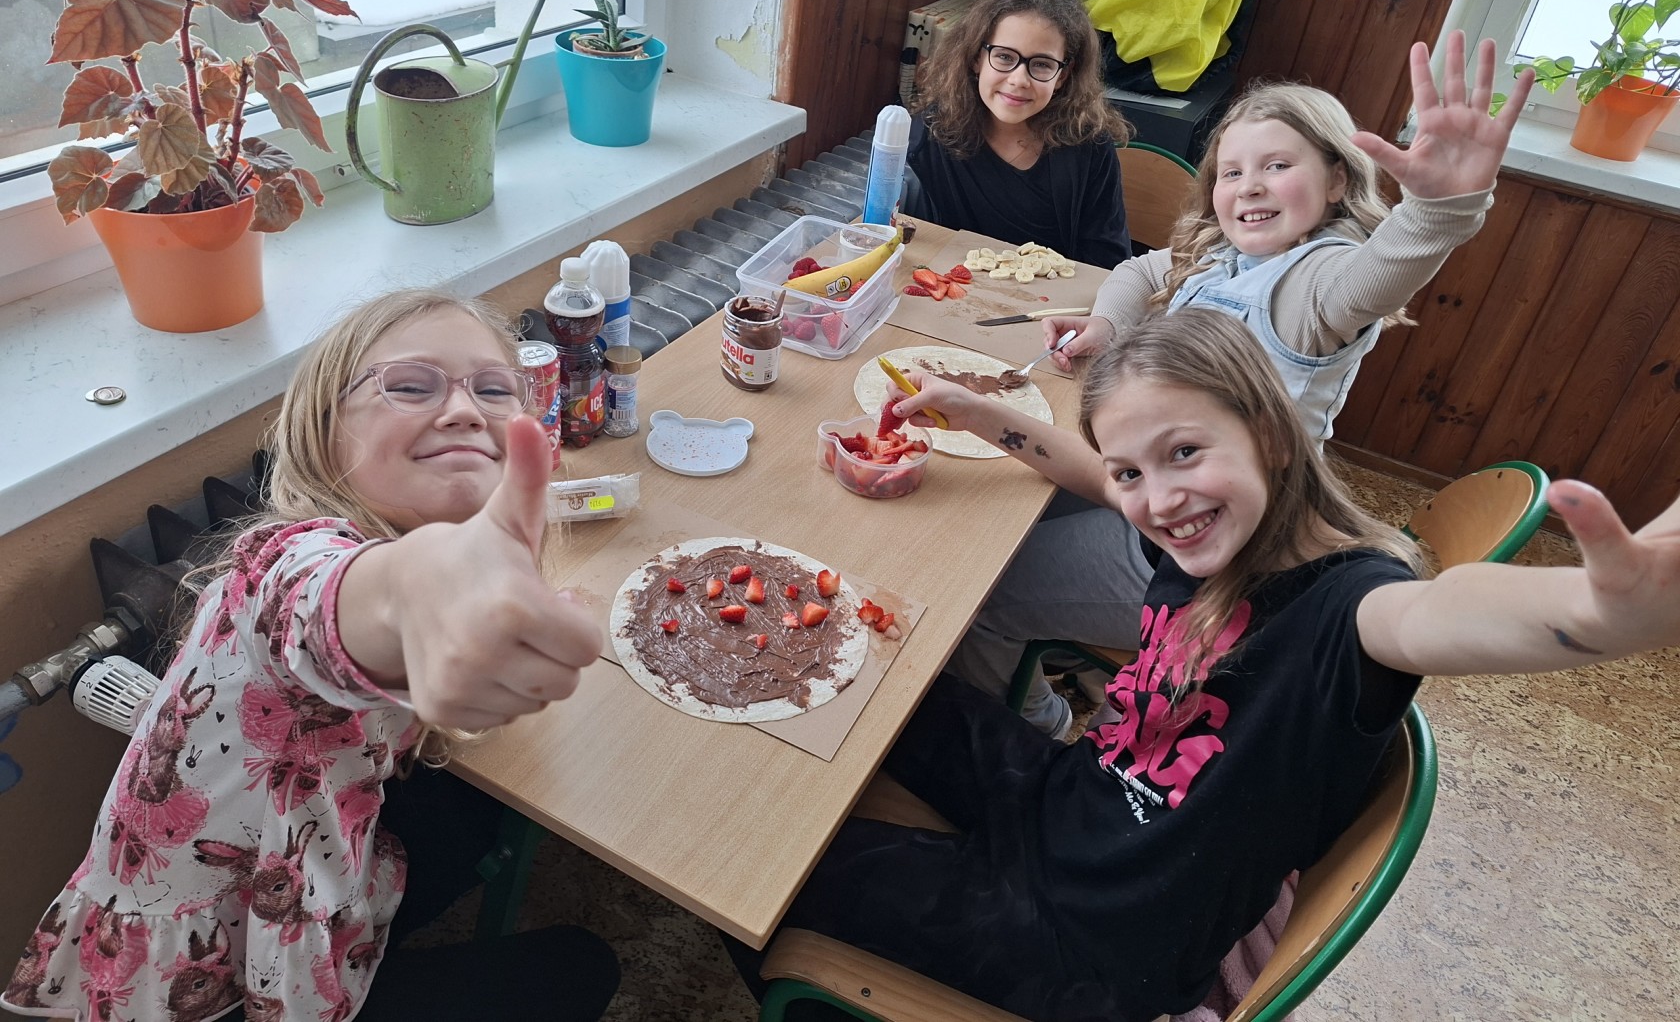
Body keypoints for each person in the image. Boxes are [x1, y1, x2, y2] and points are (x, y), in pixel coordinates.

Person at [765, 307, 1680, 1022]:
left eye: (1185, 453)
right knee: (875, 682)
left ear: (1272, 436)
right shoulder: (1212, 538)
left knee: (769, 885)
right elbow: (1098, 476)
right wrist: (984, 416)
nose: (1159, 500)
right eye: (1135, 472)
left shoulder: (1355, 608)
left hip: (1093, 947)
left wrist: (1595, 616)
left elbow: (1443, 612)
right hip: (1064, 807)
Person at [3, 289, 618, 1022]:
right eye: (410, 386)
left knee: (466, 822)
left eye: (493, 389)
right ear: (324, 437)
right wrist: (417, 593)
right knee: (584, 965)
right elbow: (333, 607)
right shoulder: (288, 560)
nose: (464, 410)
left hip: (308, 854)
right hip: (207, 983)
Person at [937, 30, 1537, 734]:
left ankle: (1039, 724)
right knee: (992, 512)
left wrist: (1438, 211)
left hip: (1206, 560)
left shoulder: (1316, 284)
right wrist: (1107, 322)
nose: (1249, 184)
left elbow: (1377, 276)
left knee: (979, 592)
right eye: (1231, 171)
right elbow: (1140, 270)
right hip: (1155, 494)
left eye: (1277, 166)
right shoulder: (1224, 254)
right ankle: (1068, 662)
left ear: (1337, 181)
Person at [902, 0, 1134, 268]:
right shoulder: (931, 133)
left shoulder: (1090, 146)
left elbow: (1108, 261)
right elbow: (909, 246)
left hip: (1055, 295)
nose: (1019, 79)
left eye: (1042, 64)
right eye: (1004, 57)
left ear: (1063, 75)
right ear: (976, 58)